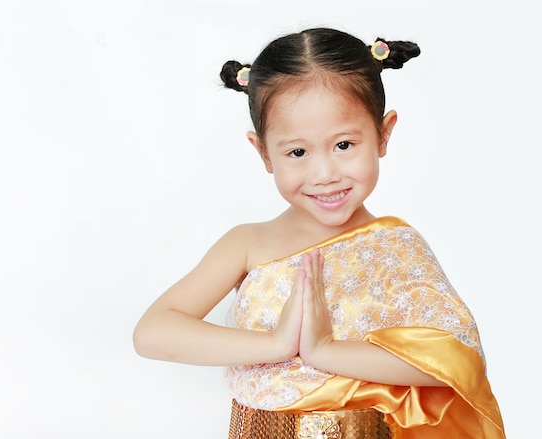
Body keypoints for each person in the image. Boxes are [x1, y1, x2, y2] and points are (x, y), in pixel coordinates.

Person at [133, 26, 505, 438]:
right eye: (297, 152)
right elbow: (153, 333)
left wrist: (326, 351)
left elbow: (458, 358)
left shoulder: (394, 247)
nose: (325, 174)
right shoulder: (247, 244)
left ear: (384, 133)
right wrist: (277, 344)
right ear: (263, 152)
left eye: (344, 145)